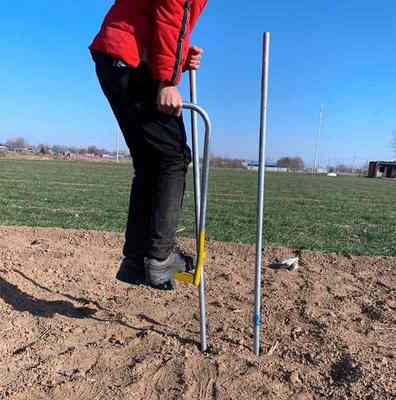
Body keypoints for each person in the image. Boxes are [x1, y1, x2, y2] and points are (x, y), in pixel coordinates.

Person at [89, 0, 208, 290]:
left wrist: (179, 59)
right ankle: (159, 258)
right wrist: (168, 80)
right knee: (173, 158)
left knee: (149, 164)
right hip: (129, 59)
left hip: (117, 56)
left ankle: (135, 260)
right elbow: (171, 13)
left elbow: (161, 21)